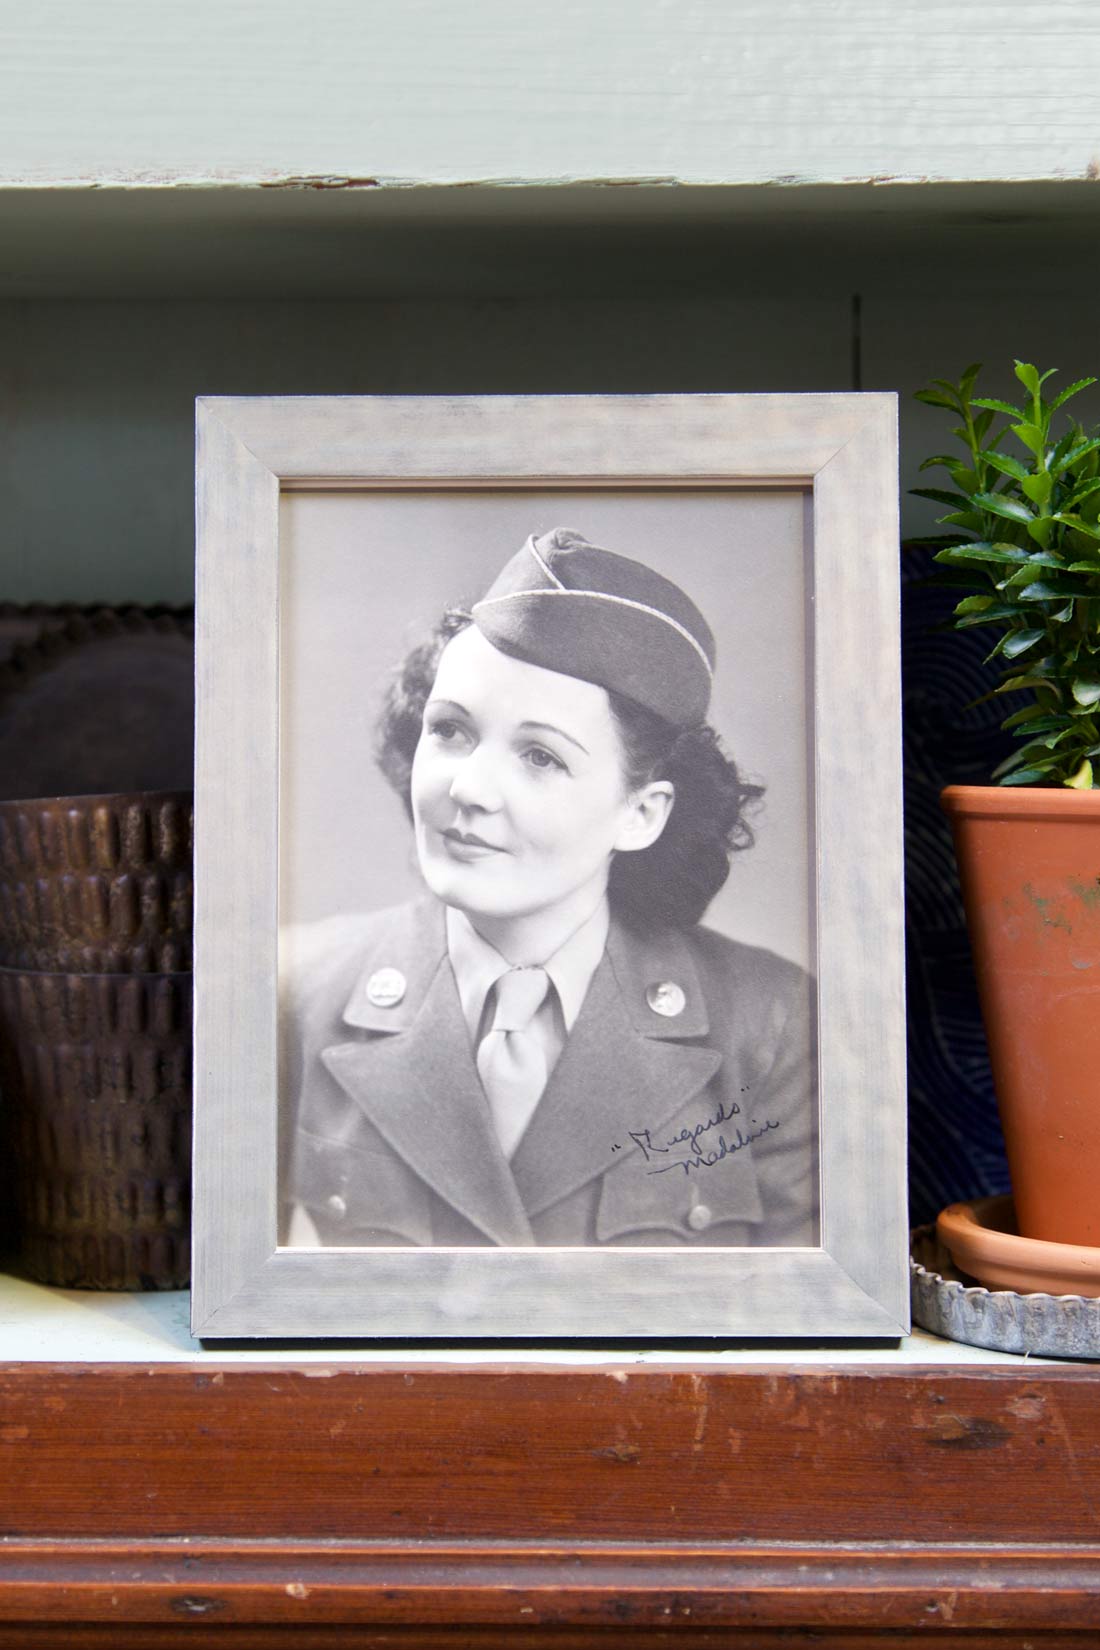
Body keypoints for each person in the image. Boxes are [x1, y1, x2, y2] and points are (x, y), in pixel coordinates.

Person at [282, 527, 817, 1249]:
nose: (467, 789)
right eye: (450, 731)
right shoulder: (295, 991)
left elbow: (808, 1329)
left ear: (641, 813)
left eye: (539, 755)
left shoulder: (769, 1024)